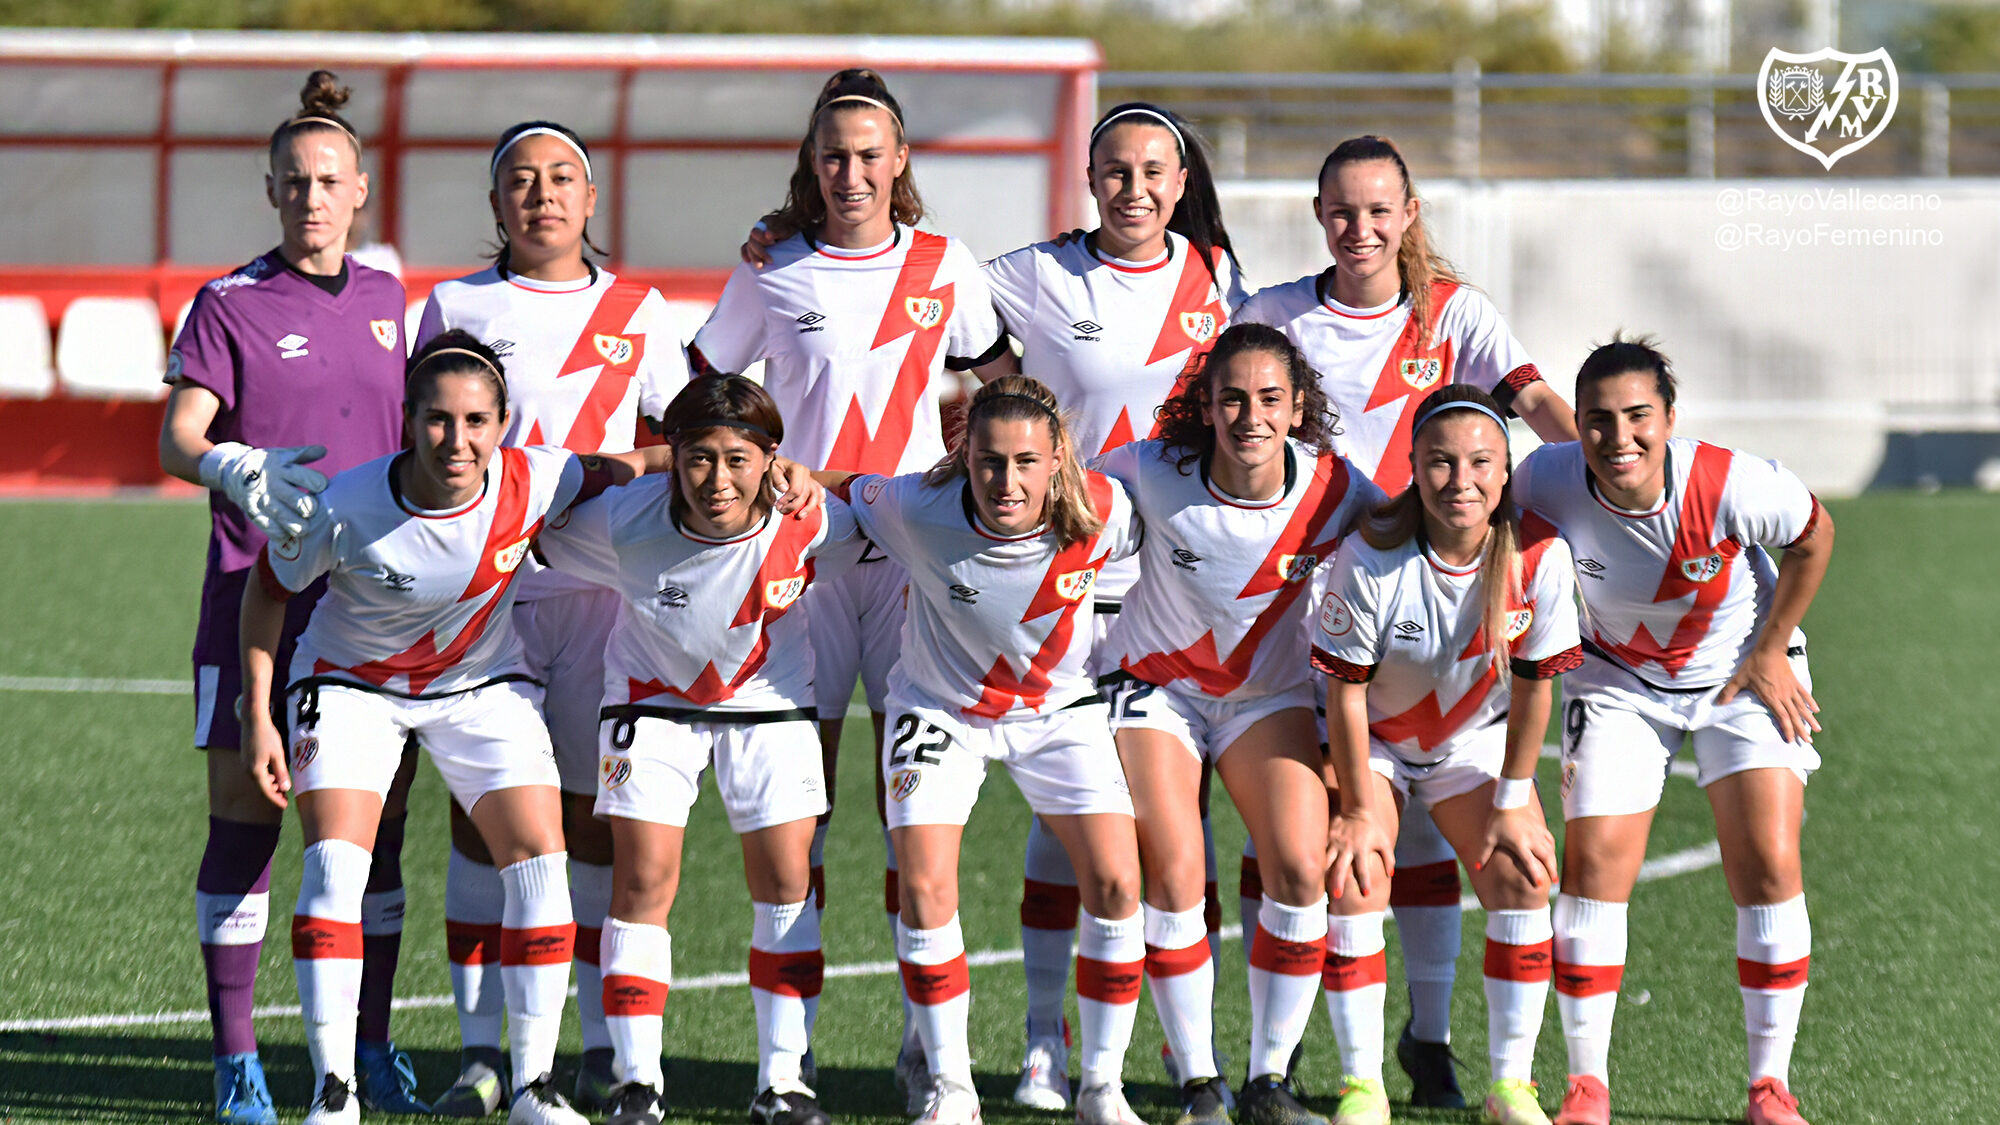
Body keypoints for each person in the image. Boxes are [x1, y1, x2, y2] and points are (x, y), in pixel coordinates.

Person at [744, 98, 1247, 1110]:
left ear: (1182, 183)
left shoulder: (1217, 280)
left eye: (1154, 172)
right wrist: (782, 235)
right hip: (1012, 554)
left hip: (1155, 571)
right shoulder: (1023, 273)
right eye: (1114, 170)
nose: (1134, 189)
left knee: (1156, 837)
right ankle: (1028, 1050)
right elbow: (906, 288)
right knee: (1027, 836)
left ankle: (1175, 1063)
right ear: (1088, 177)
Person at [1236, 134, 1579, 1106]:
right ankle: (1290, 1046)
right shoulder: (1272, 316)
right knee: (1296, 847)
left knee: (1427, 848)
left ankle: (1427, 1050)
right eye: (1342, 211)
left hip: (1438, 592)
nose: (1359, 229)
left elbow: (1531, 399)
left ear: (1409, 214)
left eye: (1379, 210)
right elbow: (1215, 412)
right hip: (1300, 601)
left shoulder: (1450, 313)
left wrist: (1600, 483)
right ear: (1316, 213)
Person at [690, 67, 1007, 1109]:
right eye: (833, 154)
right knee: (798, 822)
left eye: (870, 154)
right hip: (800, 574)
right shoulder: (772, 267)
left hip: (914, 575)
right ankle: (788, 1067)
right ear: (809, 162)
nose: (851, 172)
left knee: (909, 817)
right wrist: (742, 469)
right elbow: (702, 397)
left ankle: (930, 1055)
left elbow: (1000, 383)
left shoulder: (943, 264)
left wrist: (977, 467)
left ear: (900, 159)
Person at [238, 333, 650, 1125]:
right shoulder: (342, 504)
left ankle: (532, 1086)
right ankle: (334, 1091)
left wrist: (764, 469)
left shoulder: (539, 477)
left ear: (503, 424)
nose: (455, 441)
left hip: (478, 687)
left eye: (475, 421)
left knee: (539, 861)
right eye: (436, 419)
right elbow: (265, 595)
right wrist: (258, 713)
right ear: (406, 420)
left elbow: (635, 463)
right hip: (348, 686)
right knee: (335, 868)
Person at [157, 69, 425, 1125]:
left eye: (328, 180)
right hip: (249, 596)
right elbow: (180, 435)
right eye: (292, 182)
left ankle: (367, 1047)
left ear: (359, 190)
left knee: (380, 831)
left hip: (367, 607)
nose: (311, 197)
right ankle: (236, 1062)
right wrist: (232, 467)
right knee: (245, 820)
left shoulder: (392, 302)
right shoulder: (227, 304)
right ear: (270, 193)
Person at [416, 118, 691, 1116]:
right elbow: (425, 439)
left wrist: (599, 471)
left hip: (598, 601)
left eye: (561, 179)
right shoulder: (456, 303)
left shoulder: (639, 310)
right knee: (480, 818)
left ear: (589, 200)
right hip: (484, 596)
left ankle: (582, 1046)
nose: (541, 196)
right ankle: (480, 1055)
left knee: (587, 823)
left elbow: (690, 439)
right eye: (520, 182)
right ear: (496, 205)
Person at [1511, 338, 1833, 1125]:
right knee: (1592, 868)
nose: (1617, 437)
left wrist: (1771, 648)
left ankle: (1770, 1087)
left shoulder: (1731, 480)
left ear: (1669, 419)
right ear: (1575, 426)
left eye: (1637, 417)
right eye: (1597, 420)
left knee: (1768, 858)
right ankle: (1587, 1087)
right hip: (1618, 683)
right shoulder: (1544, 479)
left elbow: (1814, 534)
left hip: (1742, 675)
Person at [824, 376, 1147, 1125]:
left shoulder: (1107, 511)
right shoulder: (916, 507)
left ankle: (1102, 1087)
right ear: (963, 456)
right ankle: (951, 1087)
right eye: (990, 461)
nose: (1008, 481)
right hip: (940, 710)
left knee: (1118, 882)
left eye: (1027, 462)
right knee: (925, 885)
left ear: (1058, 458)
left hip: (1058, 710)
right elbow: (843, 489)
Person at [535, 375, 850, 1125]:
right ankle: (636, 1080)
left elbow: (887, 504)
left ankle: (782, 1081)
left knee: (786, 882)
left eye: (739, 459)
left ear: (772, 459)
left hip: (770, 707)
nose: (717, 479)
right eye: (698, 457)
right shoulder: (625, 517)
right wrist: (639, 461)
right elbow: (539, 514)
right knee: (642, 881)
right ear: (673, 455)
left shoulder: (812, 517)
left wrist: (819, 477)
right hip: (652, 708)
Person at [1094, 324, 1380, 1125]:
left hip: (1268, 698)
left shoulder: (1337, 488)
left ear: (1298, 408)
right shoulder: (1151, 469)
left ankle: (1268, 1083)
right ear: (1206, 406)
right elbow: (1055, 497)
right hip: (1158, 693)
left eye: (1269, 399)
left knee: (1297, 865)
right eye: (1232, 398)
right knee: (1178, 868)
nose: (1250, 416)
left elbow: (1414, 540)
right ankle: (1198, 1087)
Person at [1313, 385, 1582, 1125]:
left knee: (1527, 873)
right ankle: (1360, 1084)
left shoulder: (1539, 554)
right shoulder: (1370, 552)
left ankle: (1510, 1084)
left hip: (1473, 742)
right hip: (1378, 742)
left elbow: (1534, 693)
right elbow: (1344, 694)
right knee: (1355, 871)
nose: (1460, 481)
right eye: (1439, 462)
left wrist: (1512, 801)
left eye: (1479, 463)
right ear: (1413, 465)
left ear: (1504, 473)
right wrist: (1361, 810)